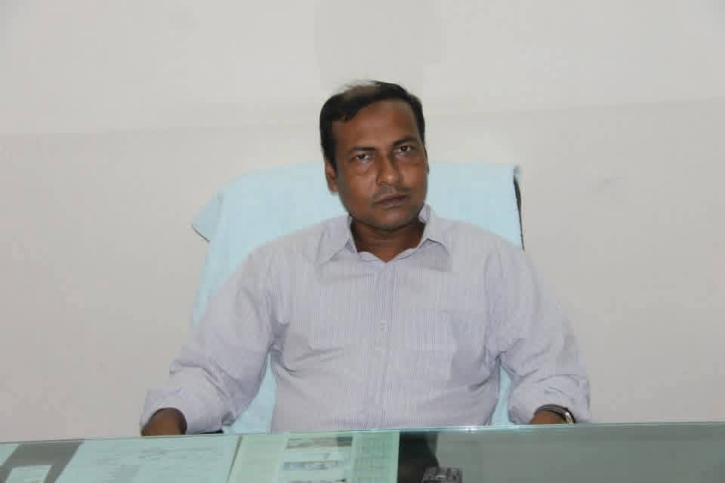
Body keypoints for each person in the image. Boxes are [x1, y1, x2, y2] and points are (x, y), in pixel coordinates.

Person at [141, 81, 591, 436]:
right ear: (332, 175)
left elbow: (551, 374)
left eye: (404, 150)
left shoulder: (493, 263)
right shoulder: (278, 266)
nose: (390, 175)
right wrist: (166, 428)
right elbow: (211, 376)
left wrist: (546, 431)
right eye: (363, 157)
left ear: (426, 158)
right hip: (310, 471)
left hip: (438, 471)